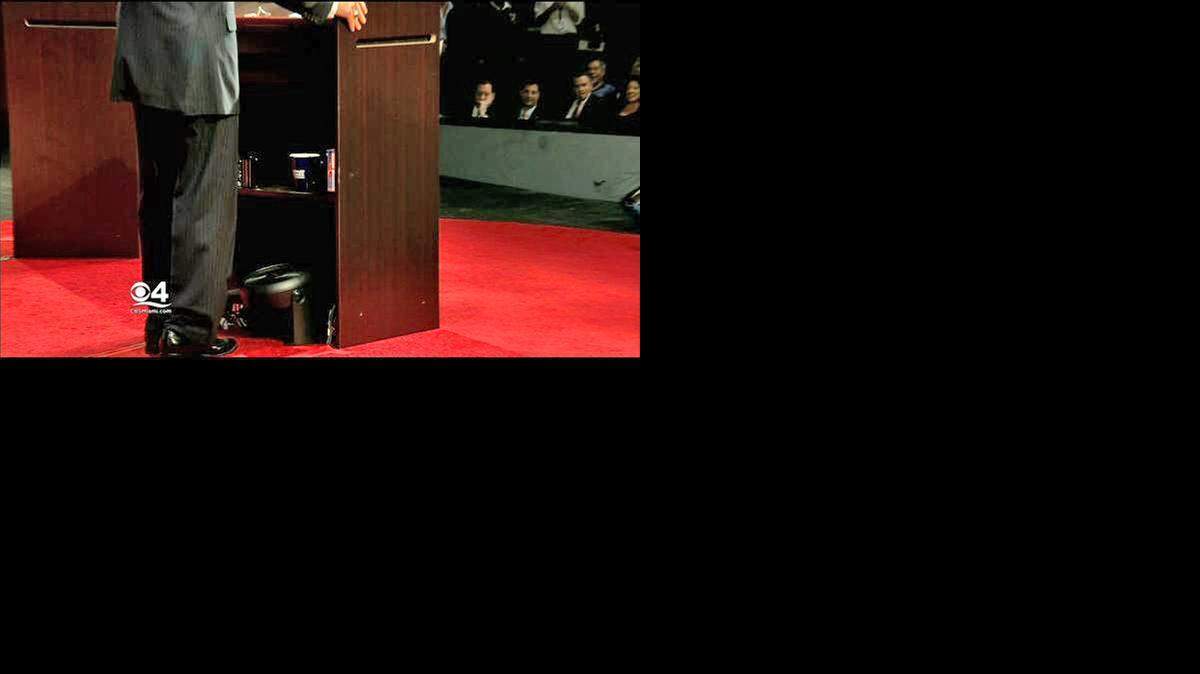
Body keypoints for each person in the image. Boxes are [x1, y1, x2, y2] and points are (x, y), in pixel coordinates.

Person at [110, 1, 368, 357]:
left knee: (160, 194)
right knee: (204, 200)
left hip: (145, 47)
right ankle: (189, 331)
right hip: (198, 53)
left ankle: (161, 323)